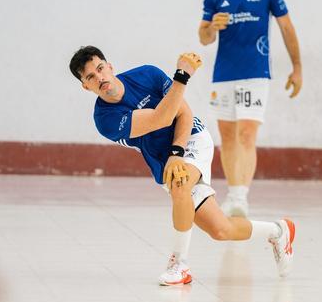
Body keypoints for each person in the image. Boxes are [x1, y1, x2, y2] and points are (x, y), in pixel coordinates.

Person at [69, 46, 296, 285]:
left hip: (193, 139)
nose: (100, 78)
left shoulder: (148, 74)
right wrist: (182, 75)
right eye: (91, 77)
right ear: (86, 86)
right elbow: (160, 119)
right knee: (220, 229)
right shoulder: (105, 119)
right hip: (164, 161)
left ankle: (179, 264)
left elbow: (184, 113)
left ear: (110, 66)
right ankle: (279, 232)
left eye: (100, 68)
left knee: (180, 184)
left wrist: (178, 152)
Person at [198, 0, 303, 217]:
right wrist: (212, 29)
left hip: (256, 73)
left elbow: (287, 29)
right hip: (223, 75)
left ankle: (241, 197)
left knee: (246, 134)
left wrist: (297, 68)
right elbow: (204, 37)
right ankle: (233, 193)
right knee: (227, 137)